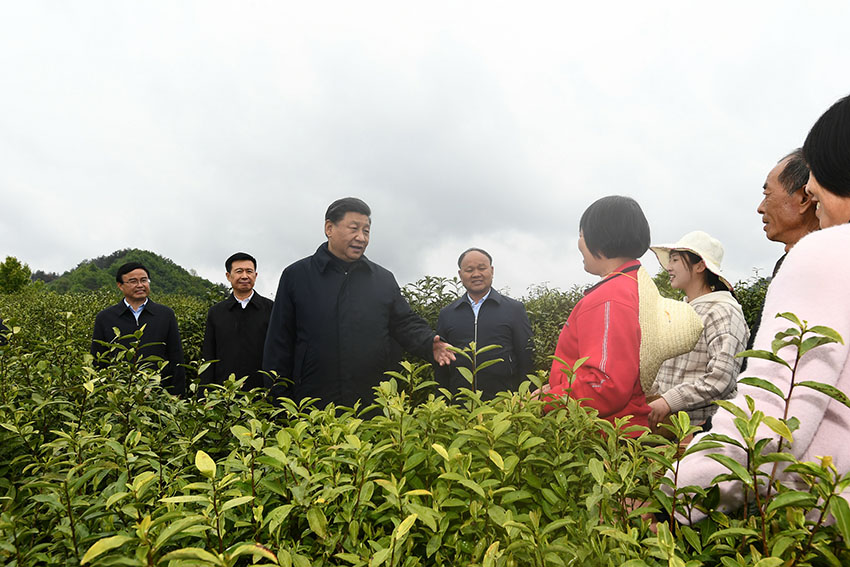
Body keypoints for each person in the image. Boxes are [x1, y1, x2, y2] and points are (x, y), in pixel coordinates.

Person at [671, 94, 850, 523]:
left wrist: (674, 495)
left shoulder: (827, 254)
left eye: (816, 180)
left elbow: (777, 408)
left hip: (817, 517)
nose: (811, 190)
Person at [262, 197, 455, 408]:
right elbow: (279, 342)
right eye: (354, 228)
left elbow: (404, 323)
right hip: (313, 404)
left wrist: (429, 342)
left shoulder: (382, 279)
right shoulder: (297, 276)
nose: (361, 237)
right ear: (329, 228)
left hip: (371, 402)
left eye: (366, 231)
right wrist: (279, 402)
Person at [534, 195, 652, 431]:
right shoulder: (634, 285)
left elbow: (605, 385)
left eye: (581, 234)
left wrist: (544, 403)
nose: (579, 243)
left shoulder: (609, 298)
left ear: (600, 236)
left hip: (602, 437)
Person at [646, 231, 749, 434]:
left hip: (700, 434)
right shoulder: (680, 310)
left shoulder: (723, 311)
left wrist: (669, 400)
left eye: (675, 260)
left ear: (700, 266)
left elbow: (721, 378)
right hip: (666, 431)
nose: (669, 267)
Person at [746, 149, 819, 353]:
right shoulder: (788, 262)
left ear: (804, 198)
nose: (760, 208)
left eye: (767, 195)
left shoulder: (823, 267)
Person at [435, 248, 533, 400]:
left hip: (505, 403)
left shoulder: (514, 309)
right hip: (460, 405)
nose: (476, 274)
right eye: (469, 270)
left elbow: (526, 356)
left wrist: (527, 397)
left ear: (491, 271)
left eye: (482, 268)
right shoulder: (447, 314)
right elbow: (441, 363)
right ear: (460, 274)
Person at [90, 262, 186, 395]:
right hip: (118, 396)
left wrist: (177, 394)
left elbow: (176, 356)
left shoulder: (165, 314)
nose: (140, 285)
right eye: (133, 281)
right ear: (120, 285)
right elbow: (98, 359)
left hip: (159, 394)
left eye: (144, 280)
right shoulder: (105, 317)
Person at [201, 252, 273, 391]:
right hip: (224, 394)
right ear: (228, 276)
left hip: (262, 393)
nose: (245, 276)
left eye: (249, 271)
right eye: (239, 271)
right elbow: (209, 354)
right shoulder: (216, 312)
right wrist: (205, 392)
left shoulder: (272, 309)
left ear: (255, 276)